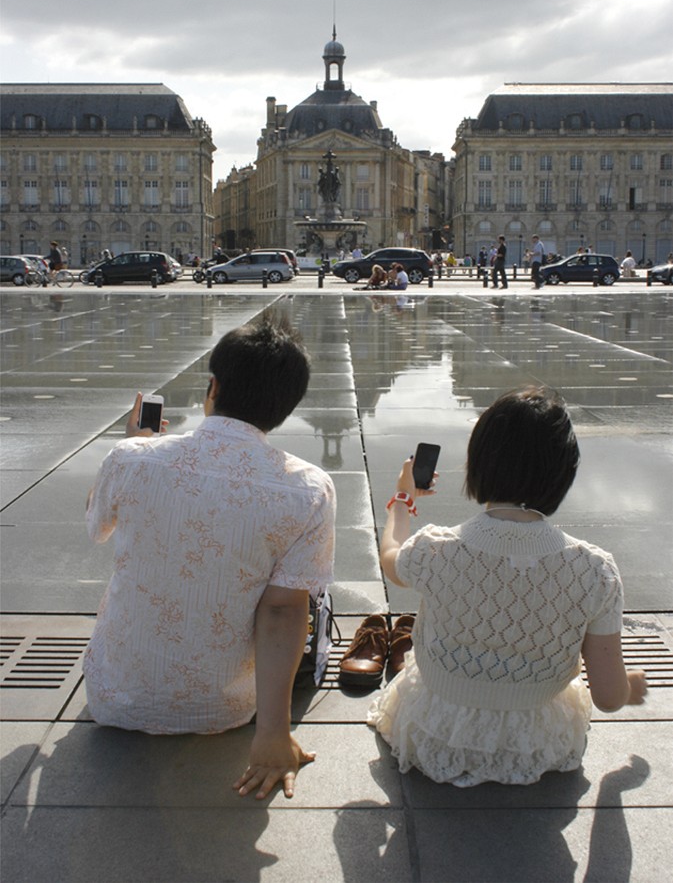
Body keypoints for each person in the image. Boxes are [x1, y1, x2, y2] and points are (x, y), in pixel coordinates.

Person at [83, 314, 336, 800]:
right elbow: (283, 612)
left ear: (213, 386)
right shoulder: (307, 489)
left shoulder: (130, 458)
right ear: (286, 408)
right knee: (297, 591)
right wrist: (273, 735)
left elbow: (97, 528)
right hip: (224, 710)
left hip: (115, 697)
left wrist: (136, 444)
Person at [367, 386, 647, 787]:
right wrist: (630, 687)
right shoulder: (595, 570)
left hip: (436, 731)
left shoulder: (436, 550)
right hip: (539, 741)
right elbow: (607, 696)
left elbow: (391, 555)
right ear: (563, 474)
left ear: (479, 463)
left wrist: (402, 498)